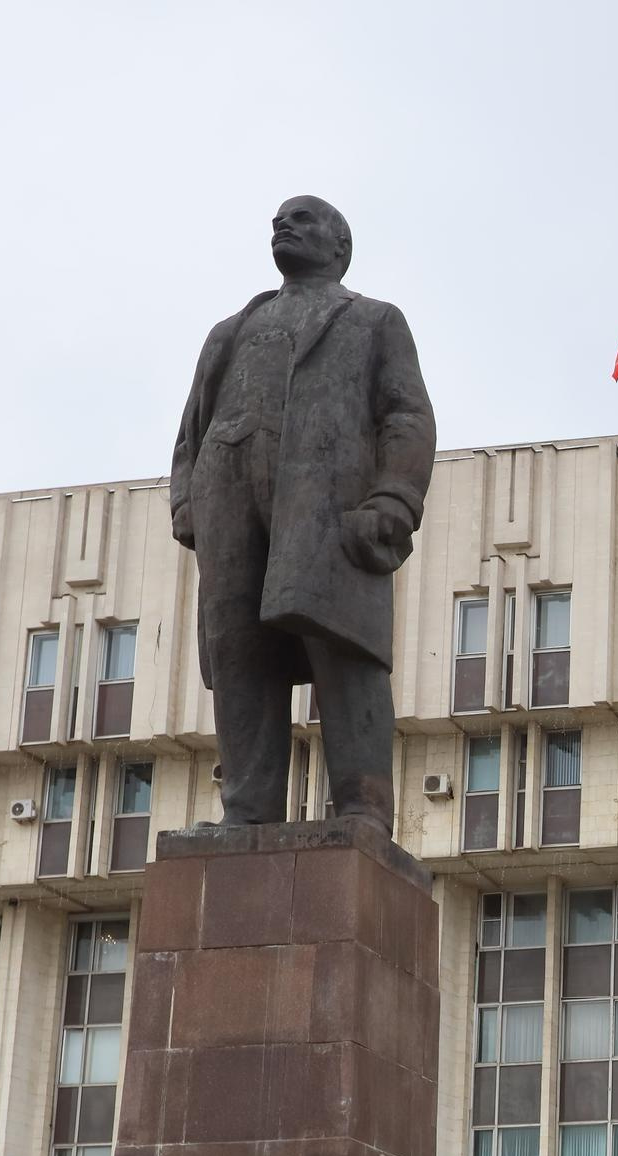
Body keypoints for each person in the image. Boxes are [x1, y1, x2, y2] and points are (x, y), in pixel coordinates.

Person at [168, 194, 437, 836]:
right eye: (278, 220)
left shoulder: (373, 321)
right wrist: (187, 499)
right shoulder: (230, 330)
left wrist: (393, 498)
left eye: (304, 218)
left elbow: (406, 413)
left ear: (340, 247)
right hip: (229, 507)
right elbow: (192, 429)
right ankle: (248, 809)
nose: (283, 225)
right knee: (239, 656)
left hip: (323, 511)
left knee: (343, 649)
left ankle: (363, 808)